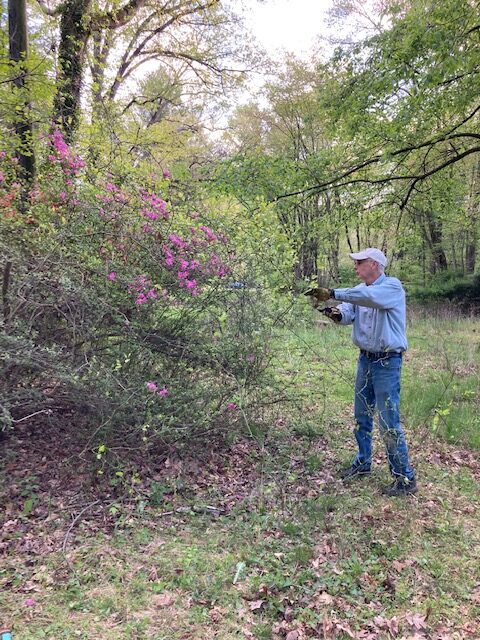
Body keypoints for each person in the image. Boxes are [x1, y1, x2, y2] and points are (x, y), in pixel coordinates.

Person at [309, 247, 417, 497]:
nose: (356, 267)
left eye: (360, 262)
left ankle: (404, 478)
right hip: (366, 360)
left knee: (388, 421)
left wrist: (332, 293)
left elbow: (368, 299)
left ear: (375, 264)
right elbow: (346, 315)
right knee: (361, 416)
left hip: (387, 363)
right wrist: (328, 310)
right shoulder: (360, 293)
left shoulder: (391, 287)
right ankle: (363, 463)